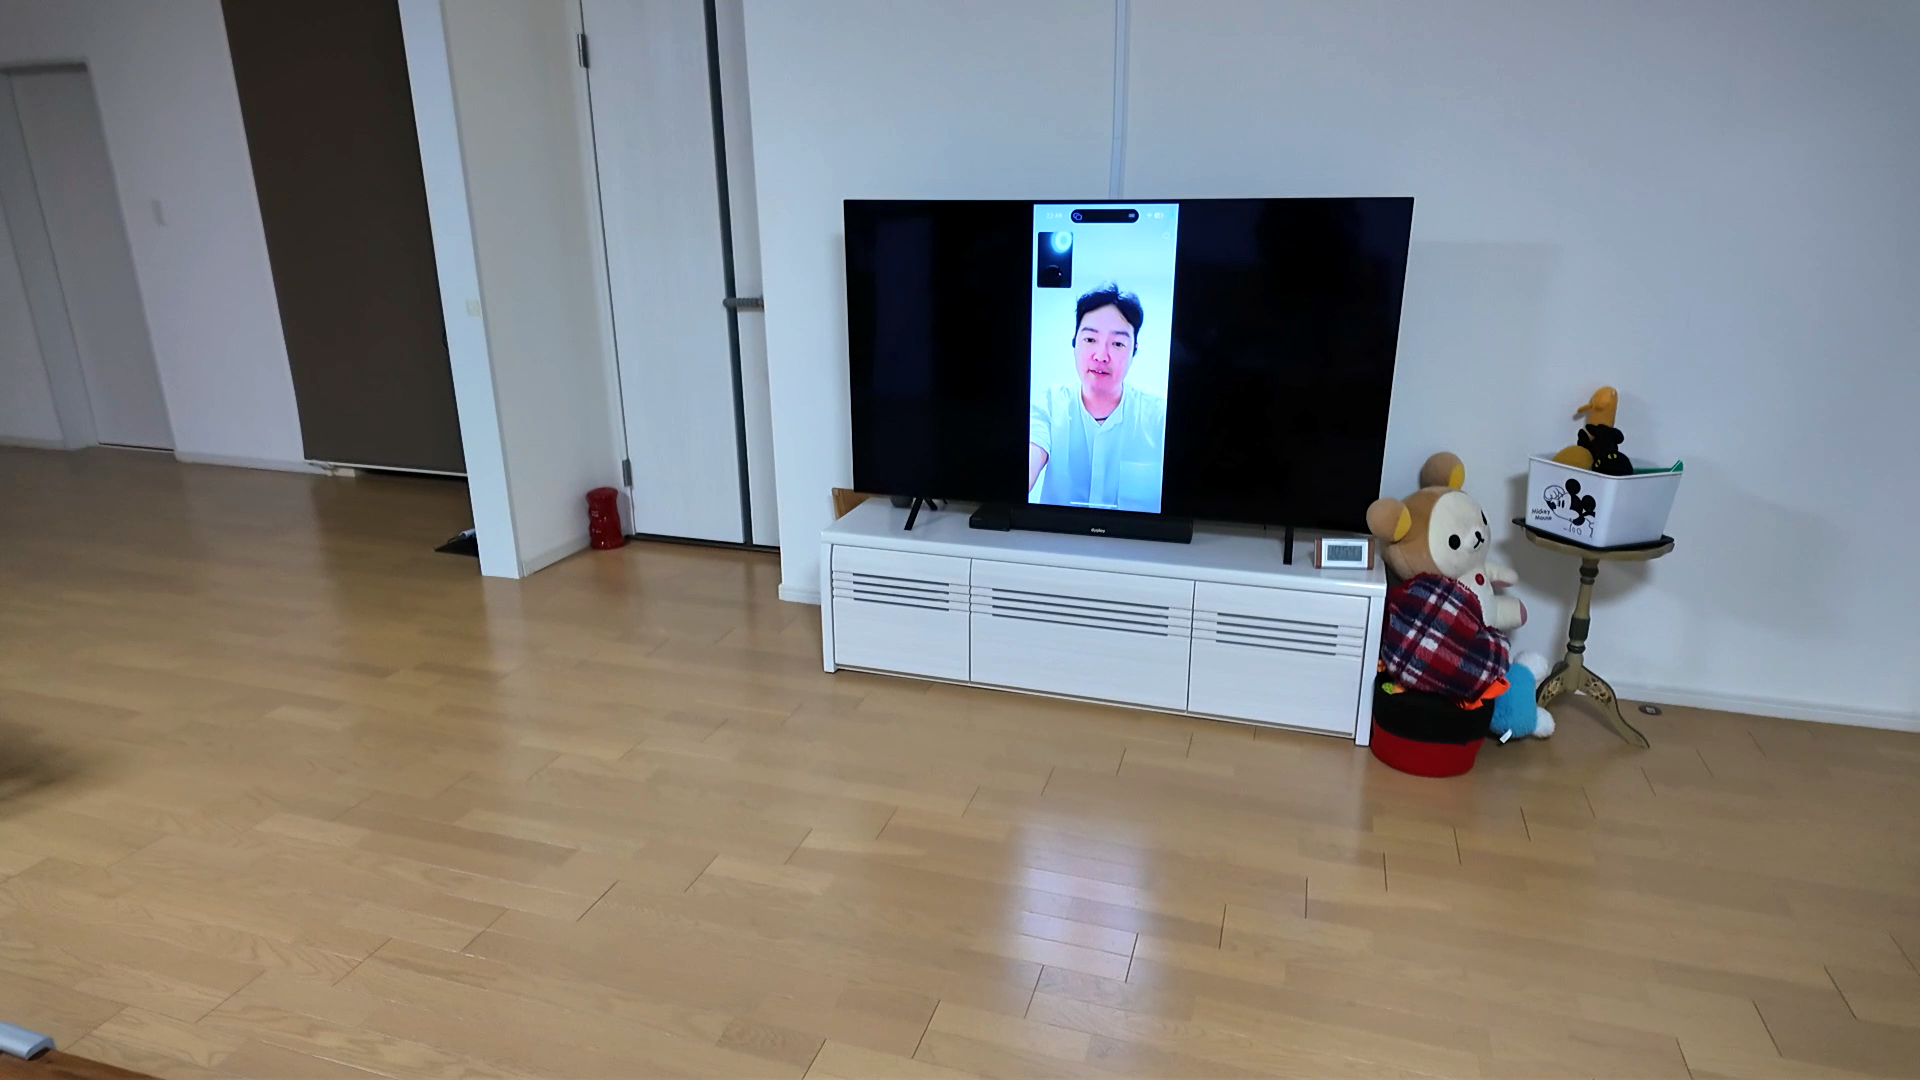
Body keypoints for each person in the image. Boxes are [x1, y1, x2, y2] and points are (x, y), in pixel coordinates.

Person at [1028, 284, 1168, 512]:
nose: (1101, 356)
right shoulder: (1050, 405)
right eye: (1090, 340)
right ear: (1074, 342)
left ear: (1134, 351)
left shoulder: (1160, 415)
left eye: (1118, 344)